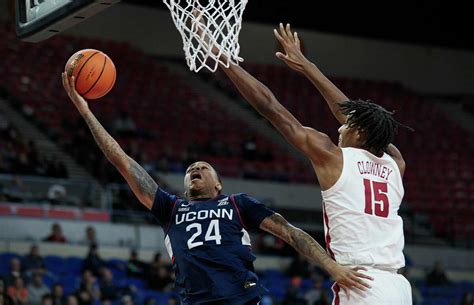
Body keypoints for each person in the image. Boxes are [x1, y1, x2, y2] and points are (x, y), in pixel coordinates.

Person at [62, 73, 370, 305]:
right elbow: (121, 161)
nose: (195, 169)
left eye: (203, 167)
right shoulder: (170, 208)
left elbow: (290, 232)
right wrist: (86, 112)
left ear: (218, 184)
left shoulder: (237, 204)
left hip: (243, 299)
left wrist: (330, 264)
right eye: (190, 169)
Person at [215, 22, 412, 304]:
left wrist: (221, 56)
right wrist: (307, 66)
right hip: (397, 286)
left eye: (348, 125)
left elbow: (271, 108)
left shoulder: (333, 157)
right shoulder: (396, 163)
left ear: (360, 132)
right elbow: (357, 118)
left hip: (361, 282)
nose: (341, 127)